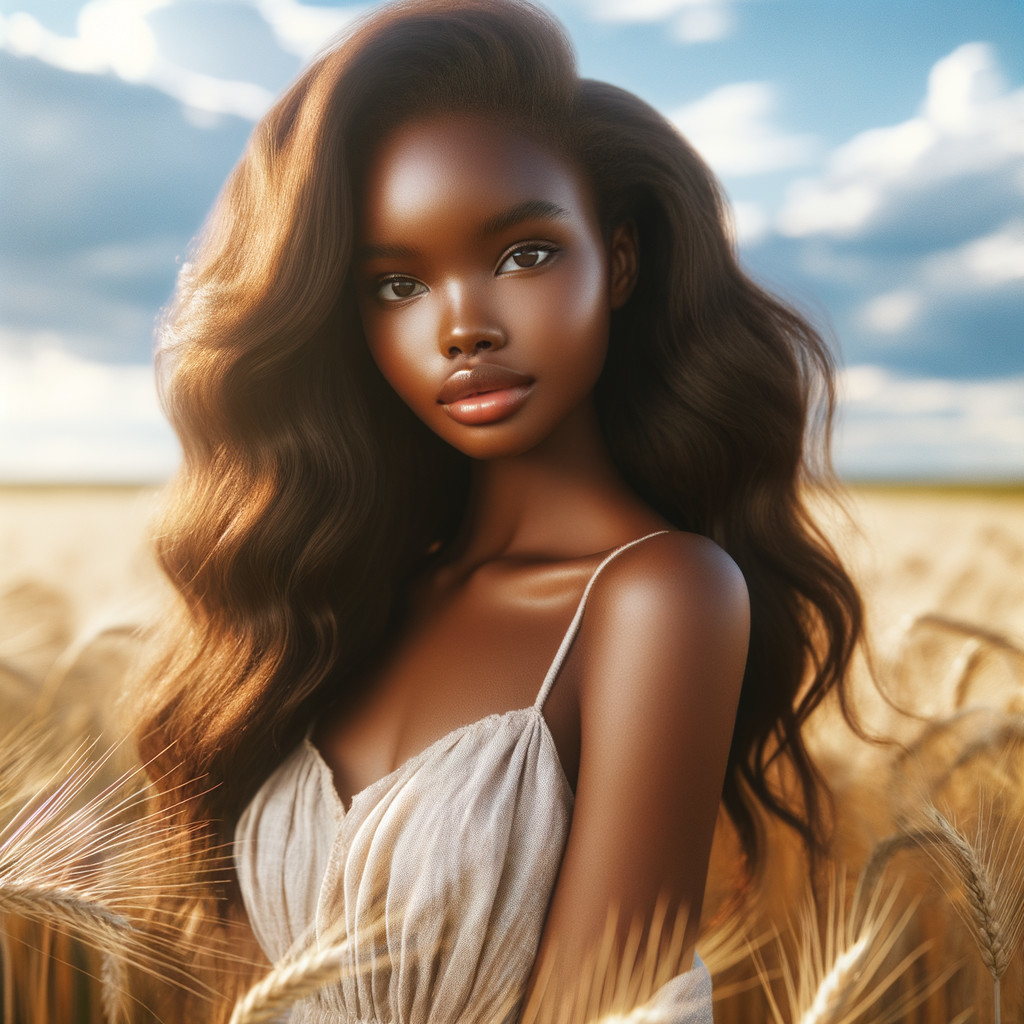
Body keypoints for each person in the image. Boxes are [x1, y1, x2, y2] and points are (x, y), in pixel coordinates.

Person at [134, 1, 863, 1020]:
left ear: (621, 259)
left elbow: (600, 1006)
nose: (464, 325)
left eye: (522, 255)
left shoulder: (663, 596)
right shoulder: (344, 593)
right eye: (396, 284)